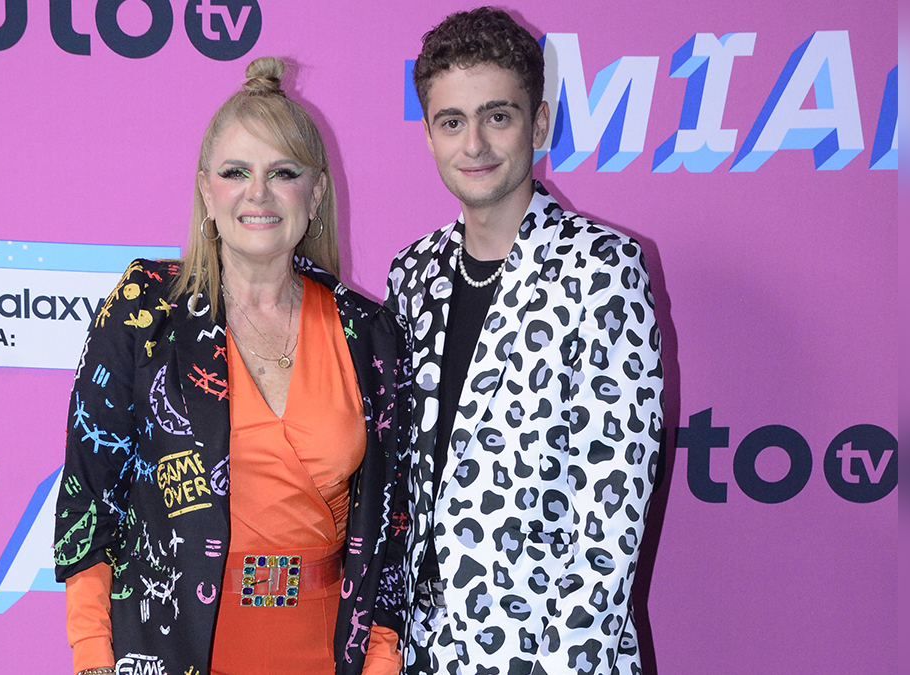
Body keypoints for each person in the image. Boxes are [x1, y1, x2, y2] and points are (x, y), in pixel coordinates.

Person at [54, 56, 409, 675]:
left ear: (316, 193)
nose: (258, 194)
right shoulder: (144, 310)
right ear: (205, 190)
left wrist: (381, 659)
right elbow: (90, 494)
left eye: (283, 173)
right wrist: (92, 653)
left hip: (325, 650)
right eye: (236, 172)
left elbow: (391, 521)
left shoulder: (367, 332)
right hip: (170, 646)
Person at [385, 8, 664, 675]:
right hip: (421, 647)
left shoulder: (601, 269)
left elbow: (610, 515)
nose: (474, 144)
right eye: (452, 122)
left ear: (538, 124)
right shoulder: (412, 273)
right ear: (428, 135)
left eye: (497, 116)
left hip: (548, 650)